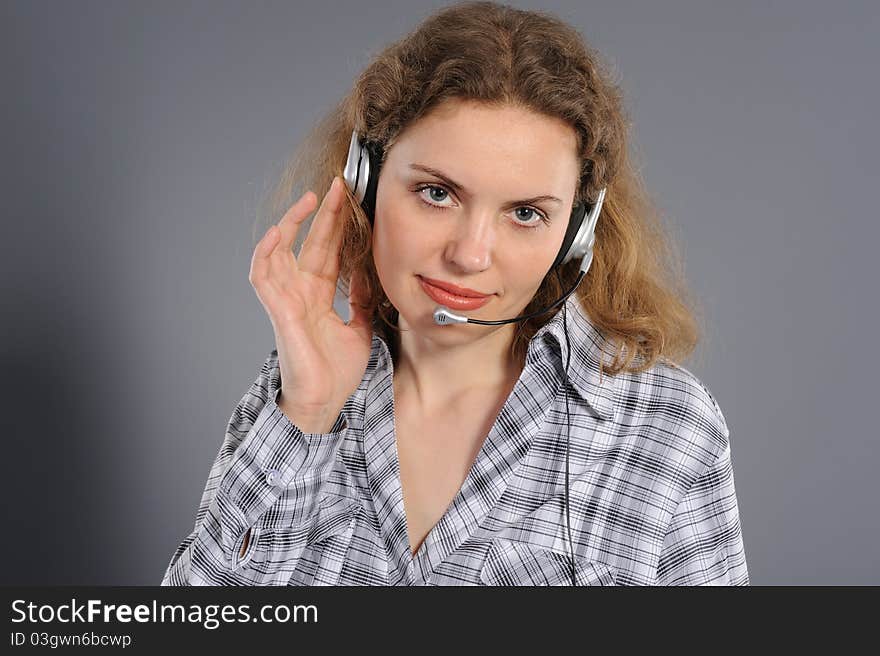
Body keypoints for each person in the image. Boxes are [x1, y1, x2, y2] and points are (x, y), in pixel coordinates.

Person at [161, 1, 749, 586]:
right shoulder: (291, 396)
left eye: (525, 213)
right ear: (366, 180)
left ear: (576, 232)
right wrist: (305, 415)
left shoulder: (666, 429)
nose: (470, 255)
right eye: (437, 194)